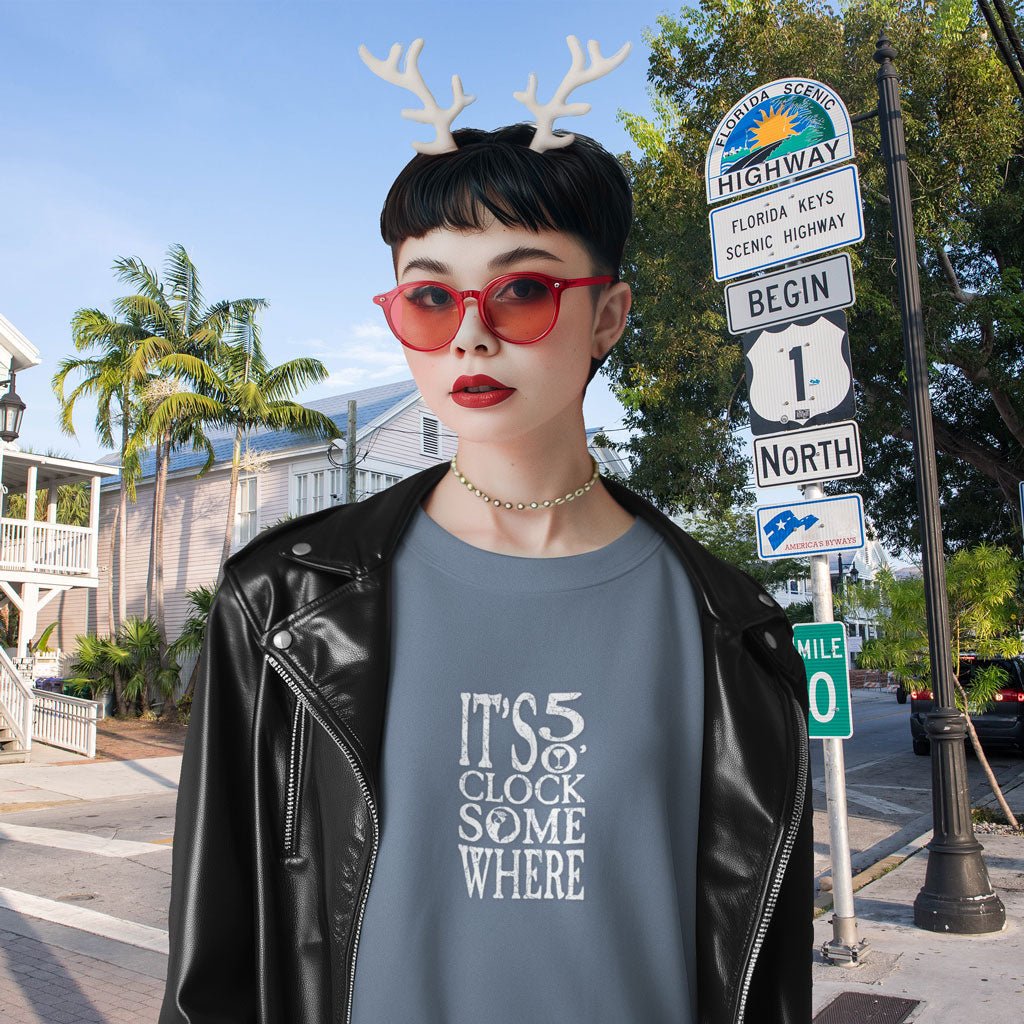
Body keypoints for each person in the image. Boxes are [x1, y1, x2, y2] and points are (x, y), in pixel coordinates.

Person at [159, 38, 811, 1024]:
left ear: (609, 315)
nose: (470, 333)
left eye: (521, 289)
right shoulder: (283, 602)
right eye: (430, 295)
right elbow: (215, 964)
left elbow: (762, 968)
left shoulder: (738, 633)